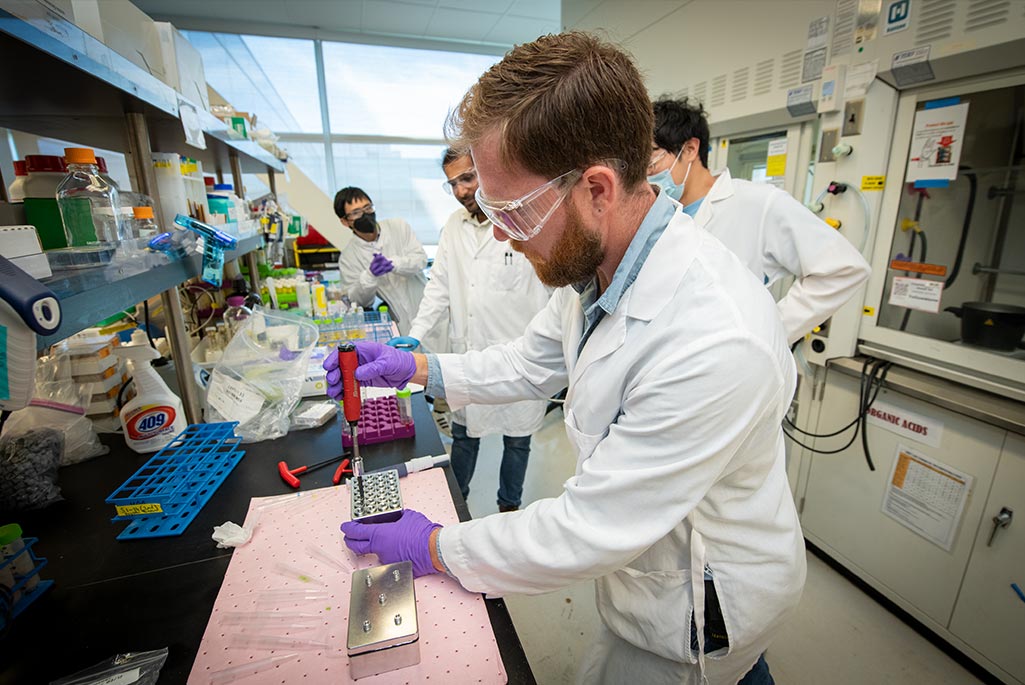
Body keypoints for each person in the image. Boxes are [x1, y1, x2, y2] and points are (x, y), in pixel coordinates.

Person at [324, 32, 804, 684]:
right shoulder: (597, 271)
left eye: (511, 211)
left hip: (697, 611)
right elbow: (527, 363)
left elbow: (588, 526)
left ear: (597, 189)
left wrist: (435, 545)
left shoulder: (711, 339)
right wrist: (419, 369)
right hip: (643, 570)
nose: (496, 232)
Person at [389, 149, 553, 513]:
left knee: (517, 441)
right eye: (453, 184)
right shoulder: (453, 226)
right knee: (464, 436)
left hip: (519, 357)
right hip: (470, 352)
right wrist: (417, 332)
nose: (462, 190)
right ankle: (454, 505)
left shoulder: (522, 220)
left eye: (468, 178)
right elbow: (439, 286)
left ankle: (509, 508)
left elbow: (552, 289)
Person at [648, 96, 871, 344]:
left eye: (652, 157)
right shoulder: (663, 213)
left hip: (731, 359)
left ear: (689, 149)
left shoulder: (757, 203)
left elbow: (843, 269)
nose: (646, 171)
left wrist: (769, 331)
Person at [334, 187, 428, 336]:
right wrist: (369, 276)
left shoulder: (398, 227)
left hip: (428, 311)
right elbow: (357, 302)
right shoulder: (348, 257)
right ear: (345, 221)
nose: (365, 214)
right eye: (356, 213)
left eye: (368, 207)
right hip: (399, 322)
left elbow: (421, 260)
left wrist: (395, 264)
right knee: (412, 358)